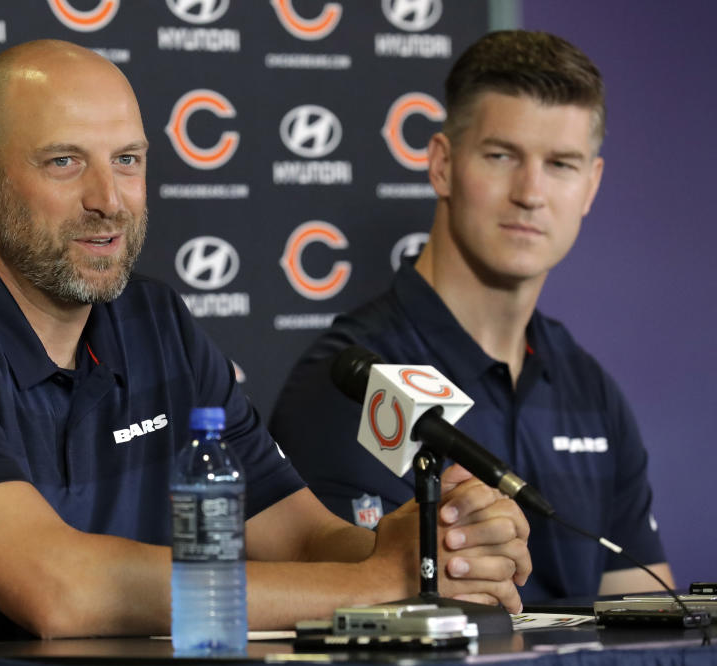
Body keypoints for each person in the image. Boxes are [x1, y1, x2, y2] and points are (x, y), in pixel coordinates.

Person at [0, 40, 531, 666]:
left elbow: (298, 535)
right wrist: (371, 582)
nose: (110, 199)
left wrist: (429, 550)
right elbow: (58, 590)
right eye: (65, 162)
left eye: (127, 160)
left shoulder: (154, 317)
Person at [269, 30, 673, 604]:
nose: (531, 193)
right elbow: (362, 618)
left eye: (561, 163)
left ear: (591, 186)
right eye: (502, 156)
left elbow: (648, 617)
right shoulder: (353, 384)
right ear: (442, 165)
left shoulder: (591, 390)